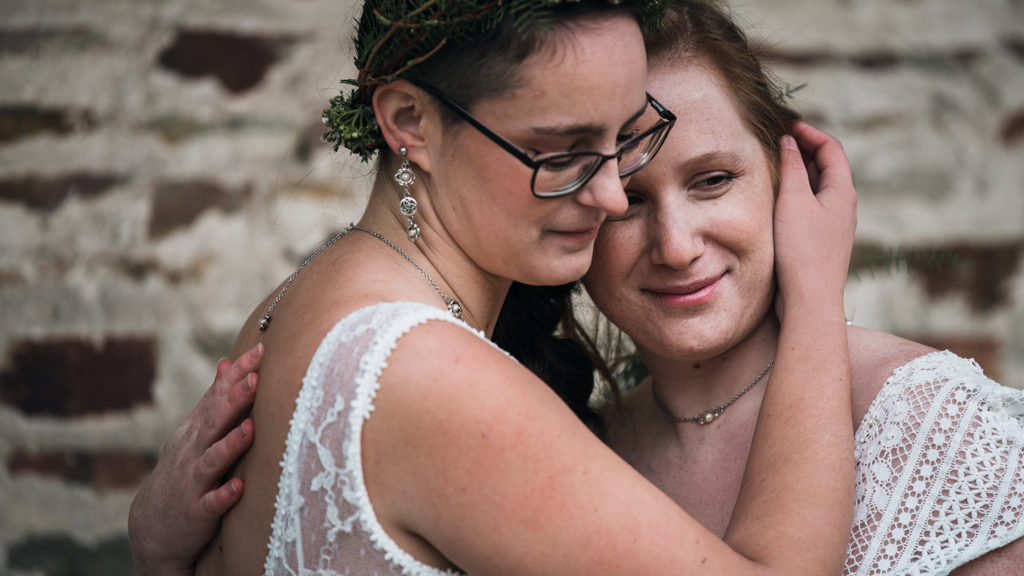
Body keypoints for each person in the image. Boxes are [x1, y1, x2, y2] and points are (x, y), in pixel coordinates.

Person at [129, 0, 861, 574]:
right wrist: (817, 291)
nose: (610, 194)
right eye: (564, 153)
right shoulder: (431, 377)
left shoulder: (299, 300)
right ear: (408, 121)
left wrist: (161, 559)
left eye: (626, 138)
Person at [579, 2, 1024, 575]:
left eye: (712, 181)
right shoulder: (585, 449)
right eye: (628, 200)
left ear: (786, 176)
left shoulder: (927, 425)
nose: (676, 246)